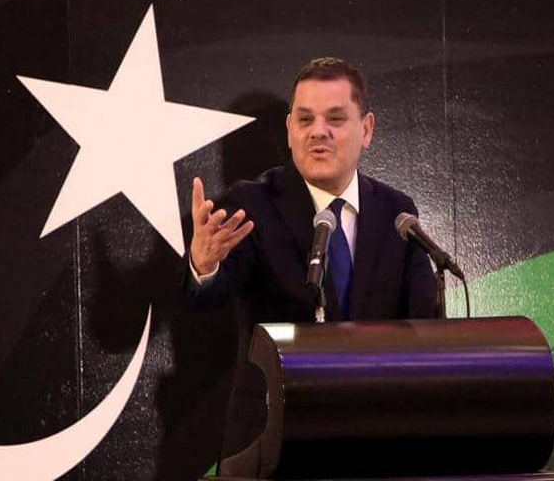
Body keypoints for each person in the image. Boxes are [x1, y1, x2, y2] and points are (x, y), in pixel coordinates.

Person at [184, 57, 438, 323]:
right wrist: (204, 266)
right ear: (289, 130)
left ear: (366, 130)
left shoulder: (397, 214)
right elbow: (206, 298)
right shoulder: (252, 206)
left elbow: (424, 323)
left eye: (335, 119)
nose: (318, 131)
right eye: (305, 119)